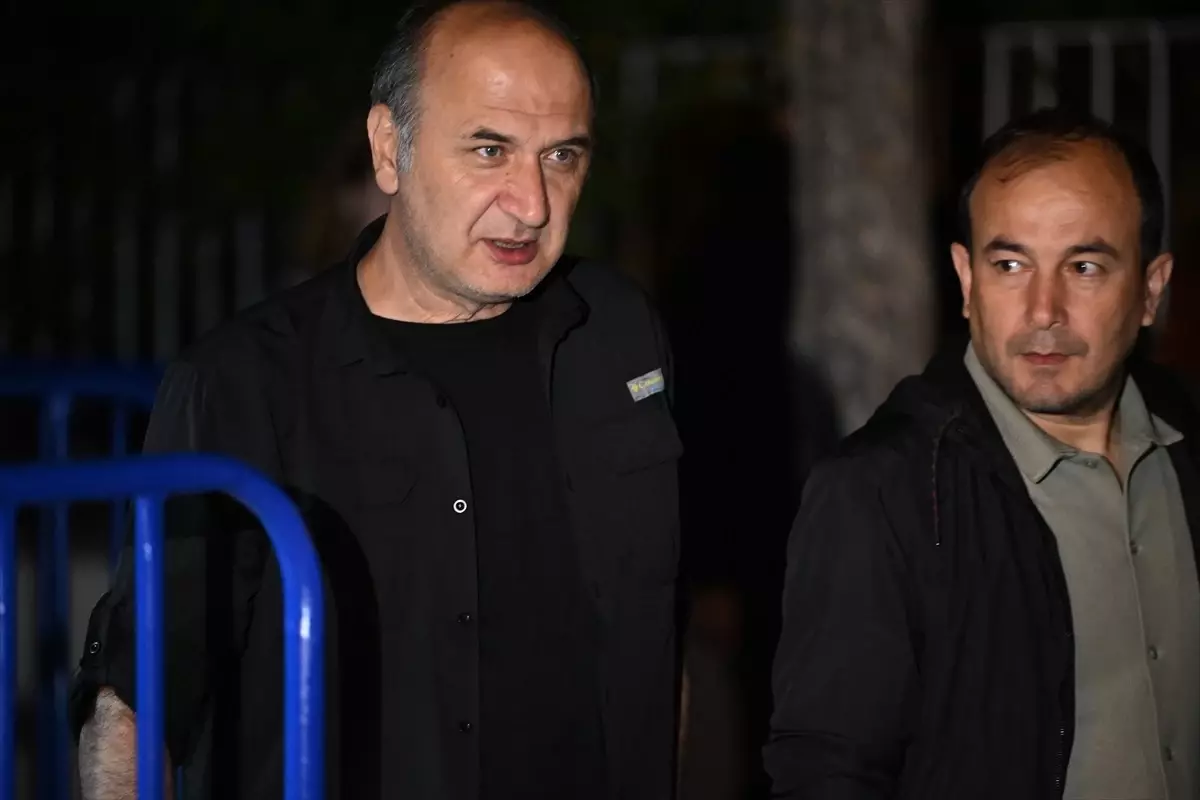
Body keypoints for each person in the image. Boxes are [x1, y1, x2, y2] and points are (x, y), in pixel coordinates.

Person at [70, 2, 683, 799]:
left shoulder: (620, 333)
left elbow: (655, 636)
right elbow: (140, 695)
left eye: (561, 156)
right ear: (389, 149)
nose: (532, 203)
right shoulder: (246, 382)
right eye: (490, 150)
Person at [766, 106, 1200, 799]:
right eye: (1010, 265)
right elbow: (826, 772)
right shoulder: (883, 492)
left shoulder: (1186, 447)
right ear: (967, 281)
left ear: (1151, 290)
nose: (1043, 310)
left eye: (1084, 266)